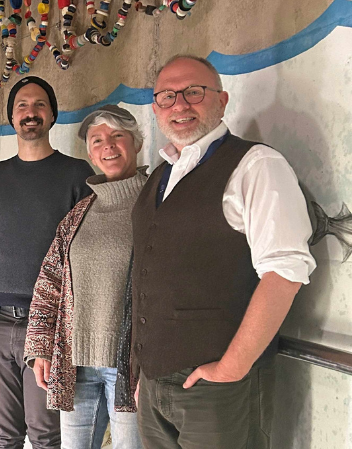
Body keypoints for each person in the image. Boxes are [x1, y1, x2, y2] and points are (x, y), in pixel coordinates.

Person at [131, 55, 316, 448]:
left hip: (218, 388)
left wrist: (232, 368)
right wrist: (143, 376)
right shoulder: (160, 174)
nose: (180, 104)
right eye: (167, 96)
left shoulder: (256, 165)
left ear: (222, 99)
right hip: (153, 387)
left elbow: (286, 271)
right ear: (155, 109)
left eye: (194, 92)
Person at [0, 76, 94, 449]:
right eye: (22, 105)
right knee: (3, 434)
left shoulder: (76, 174)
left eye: (40, 104)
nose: (30, 112)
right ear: (11, 117)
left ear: (53, 115)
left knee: (45, 434)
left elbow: (84, 250)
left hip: (47, 327)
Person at [24, 104, 146, 449]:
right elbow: (49, 283)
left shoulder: (157, 203)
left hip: (132, 367)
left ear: (136, 143)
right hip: (75, 364)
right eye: (97, 140)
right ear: (90, 153)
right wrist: (40, 350)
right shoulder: (80, 213)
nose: (107, 146)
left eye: (117, 136)